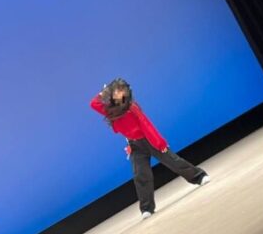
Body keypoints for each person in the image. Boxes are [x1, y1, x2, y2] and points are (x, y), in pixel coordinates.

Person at [90, 78, 210, 219]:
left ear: (126, 93)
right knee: (140, 175)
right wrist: (103, 92)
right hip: (134, 146)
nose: (119, 93)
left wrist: (160, 144)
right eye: (116, 91)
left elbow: (146, 125)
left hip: (149, 141)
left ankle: (199, 176)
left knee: (173, 161)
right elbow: (93, 103)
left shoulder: (132, 108)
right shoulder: (110, 110)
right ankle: (146, 208)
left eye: (121, 91)